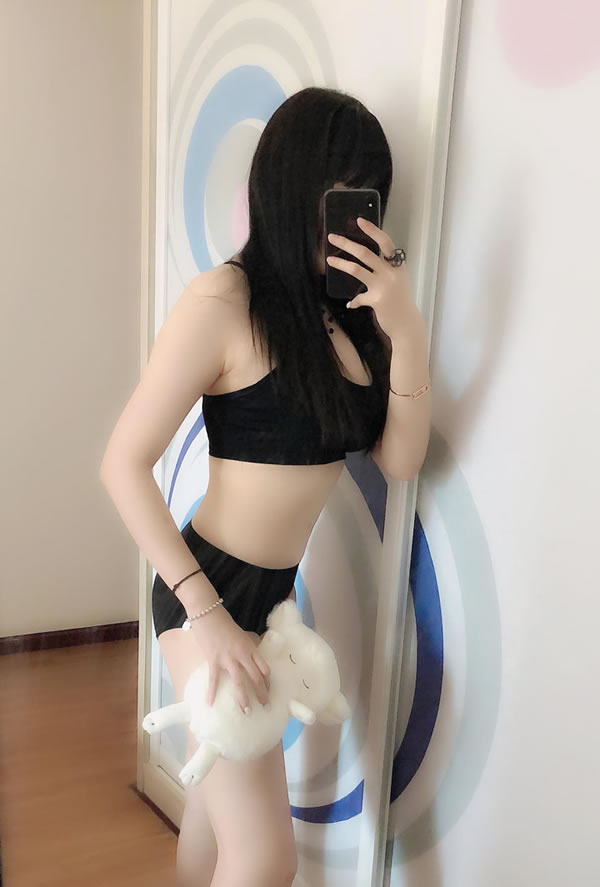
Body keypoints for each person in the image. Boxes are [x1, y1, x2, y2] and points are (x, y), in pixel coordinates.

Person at [99, 86, 431, 887]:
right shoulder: (224, 301)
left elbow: (399, 459)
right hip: (203, 590)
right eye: (335, 191)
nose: (348, 218)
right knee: (266, 858)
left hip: (272, 600)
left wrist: (406, 330)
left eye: (365, 194)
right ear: (287, 185)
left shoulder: (352, 319)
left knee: (216, 820)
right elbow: (122, 463)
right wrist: (209, 617)